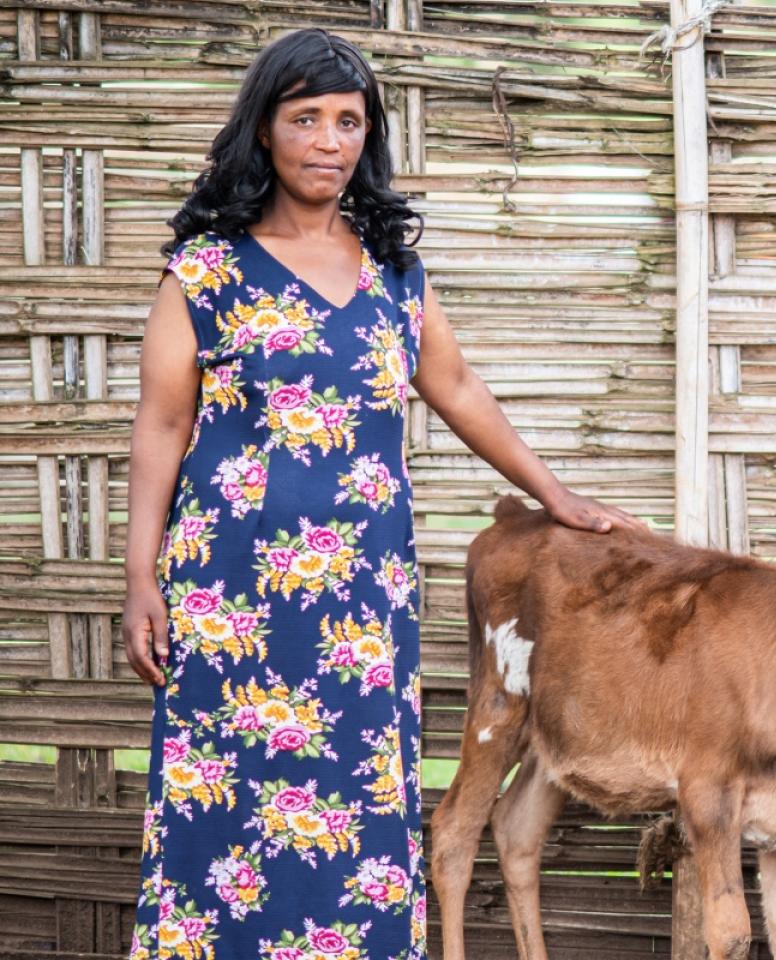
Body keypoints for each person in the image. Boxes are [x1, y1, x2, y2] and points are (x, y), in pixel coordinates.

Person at [121, 29, 641, 959]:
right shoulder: (206, 271)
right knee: (223, 797)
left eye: (348, 121)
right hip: (228, 593)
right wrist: (140, 581)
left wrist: (557, 495)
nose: (328, 140)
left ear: (369, 137)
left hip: (361, 602)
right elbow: (161, 427)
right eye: (305, 118)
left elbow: (461, 392)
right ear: (266, 132)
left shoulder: (393, 275)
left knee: (356, 798)